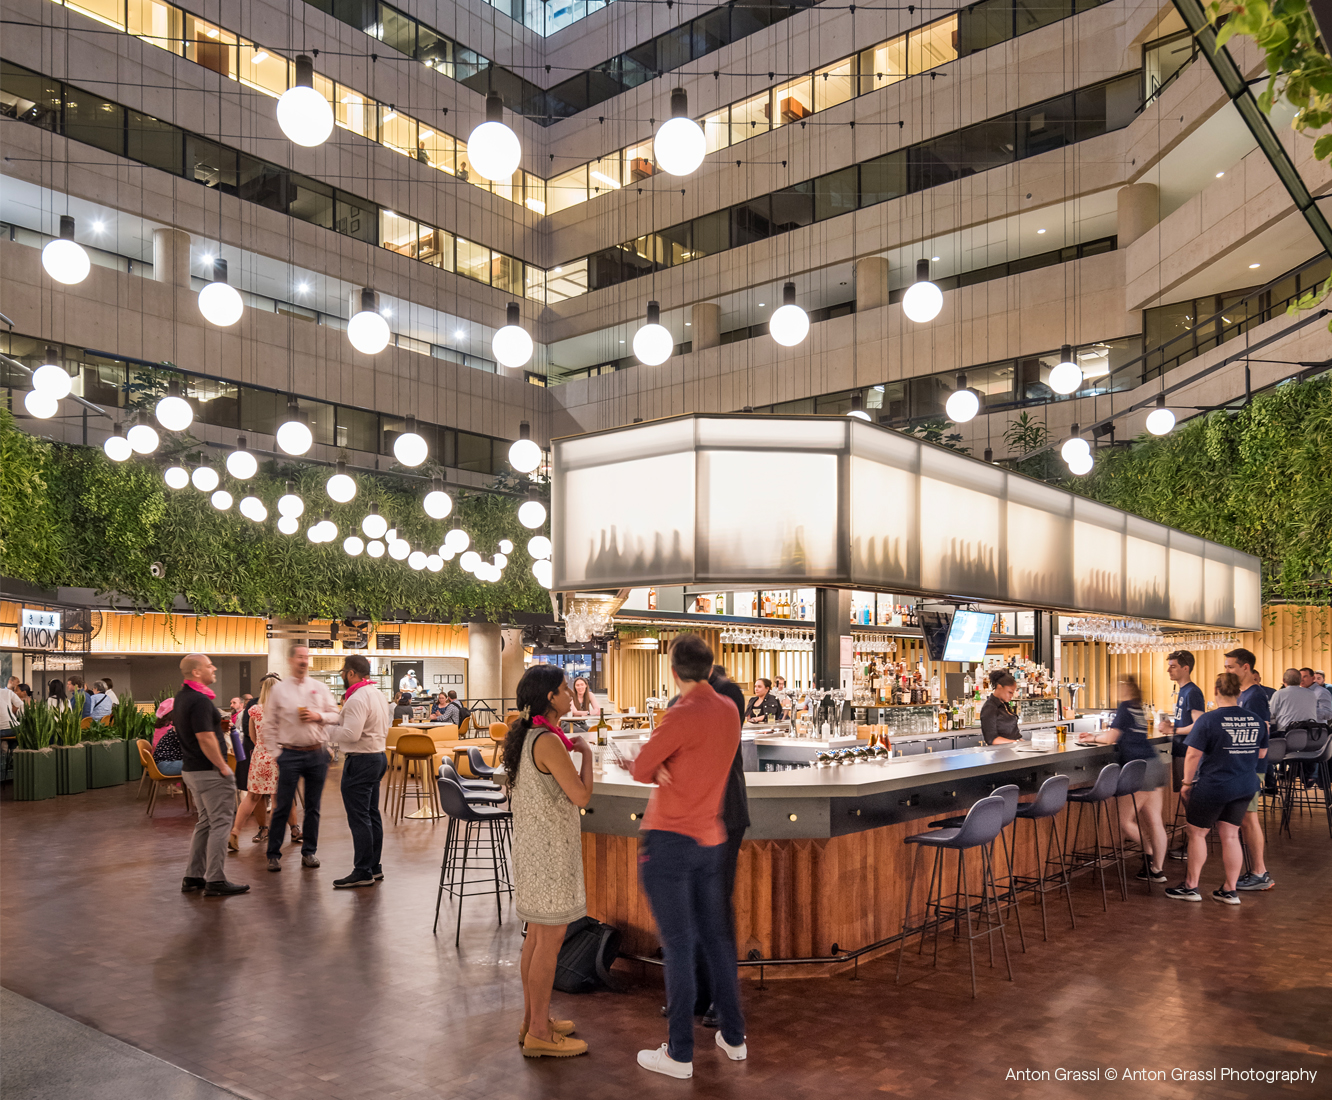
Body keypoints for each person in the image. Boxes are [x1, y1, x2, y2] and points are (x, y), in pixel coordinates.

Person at [631, 634, 747, 1079]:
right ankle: (733, 1037)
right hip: (711, 839)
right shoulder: (729, 709)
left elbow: (643, 767)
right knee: (718, 941)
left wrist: (661, 766)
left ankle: (680, 1053)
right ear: (710, 666)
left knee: (678, 945)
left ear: (674, 671)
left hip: (669, 842)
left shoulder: (679, 715)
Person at [503, 664, 592, 1059]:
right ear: (550, 697)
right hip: (551, 852)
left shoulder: (526, 735)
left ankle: (531, 1020)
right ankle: (540, 1031)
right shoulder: (548, 741)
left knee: (536, 938)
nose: (570, 694)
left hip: (532, 849)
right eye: (563, 689)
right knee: (550, 940)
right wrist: (586, 753)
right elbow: (581, 796)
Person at [1166, 672, 1267, 905]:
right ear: (1239, 692)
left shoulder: (1209, 720)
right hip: (1245, 785)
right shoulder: (1255, 720)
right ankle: (1230, 890)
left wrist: (1186, 783)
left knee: (1197, 833)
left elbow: (1192, 754)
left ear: (1215, 691)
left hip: (1214, 785)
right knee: (1231, 835)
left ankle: (1191, 886)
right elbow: (1261, 753)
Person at [1080, 676, 1168, 882]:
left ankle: (1148, 851)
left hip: (1138, 769)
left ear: (1124, 689)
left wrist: (1091, 738)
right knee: (1155, 821)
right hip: (1155, 764)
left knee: (1125, 821)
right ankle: (1157, 869)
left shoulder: (1125, 707)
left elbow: (1110, 738)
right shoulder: (1138, 708)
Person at [175, 653, 249, 897]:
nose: (214, 668)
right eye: (209, 666)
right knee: (220, 824)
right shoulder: (200, 700)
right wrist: (223, 766)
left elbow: (200, 729)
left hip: (192, 771)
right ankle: (215, 879)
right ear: (196, 672)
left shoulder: (183, 697)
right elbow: (204, 738)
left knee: (205, 822)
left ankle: (193, 876)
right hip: (209, 772)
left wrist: (217, 726)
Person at [263, 644, 339, 873]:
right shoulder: (279, 690)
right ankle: (273, 854)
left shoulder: (319, 687)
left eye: (307, 657)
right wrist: (276, 754)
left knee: (313, 807)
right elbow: (268, 724)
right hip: (290, 753)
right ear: (290, 660)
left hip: (317, 753)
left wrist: (318, 716)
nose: (304, 661)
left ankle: (309, 852)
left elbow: (335, 715)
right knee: (283, 806)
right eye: (299, 657)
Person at [326, 655, 392, 888]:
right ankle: (374, 867)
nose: (342, 675)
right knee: (371, 814)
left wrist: (327, 730)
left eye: (344, 671)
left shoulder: (356, 698)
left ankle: (362, 870)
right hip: (378, 757)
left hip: (361, 760)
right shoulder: (377, 694)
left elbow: (350, 735)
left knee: (359, 817)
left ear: (352, 673)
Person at [1158, 650, 1206, 861]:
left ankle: (1193, 843)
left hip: (1188, 751)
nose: (1169, 669)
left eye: (1173, 666)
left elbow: (1199, 723)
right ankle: (1192, 842)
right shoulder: (1183, 691)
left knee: (1190, 799)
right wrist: (1173, 726)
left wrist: (1174, 731)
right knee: (1187, 798)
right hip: (1180, 750)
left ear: (1185, 668)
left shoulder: (1192, 692)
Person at [229, 675, 278, 851]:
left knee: (252, 797)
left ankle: (235, 830)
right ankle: (275, 835)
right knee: (277, 798)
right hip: (278, 757)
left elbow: (252, 736)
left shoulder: (255, 710)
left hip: (259, 757)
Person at [979, 670, 1021, 744]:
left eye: (1013, 693)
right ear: (999, 687)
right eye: (1010, 692)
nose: (1012, 695)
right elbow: (991, 739)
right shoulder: (989, 708)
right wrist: (1015, 742)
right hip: (1000, 753)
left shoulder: (1005, 704)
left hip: (1011, 750)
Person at [152, 699, 185, 775]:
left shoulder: (161, 725)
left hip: (158, 762)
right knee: (197, 765)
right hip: (165, 764)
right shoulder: (172, 727)